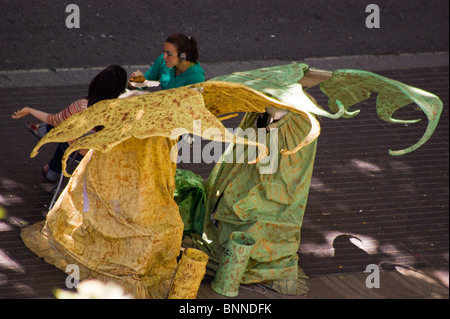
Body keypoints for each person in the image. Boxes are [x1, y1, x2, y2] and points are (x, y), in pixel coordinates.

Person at [12, 65, 128, 181]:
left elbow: (53, 119)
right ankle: (45, 135)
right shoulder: (122, 113)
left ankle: (46, 139)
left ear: (97, 83)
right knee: (68, 127)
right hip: (102, 156)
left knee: (65, 129)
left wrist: (29, 110)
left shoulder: (81, 106)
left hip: (77, 152)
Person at [131, 33, 205, 90]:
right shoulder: (163, 60)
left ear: (182, 56)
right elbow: (146, 80)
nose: (164, 57)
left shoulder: (196, 78)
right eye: (164, 52)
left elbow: (195, 105)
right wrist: (135, 82)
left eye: (169, 54)